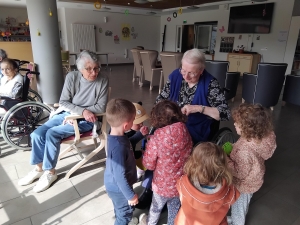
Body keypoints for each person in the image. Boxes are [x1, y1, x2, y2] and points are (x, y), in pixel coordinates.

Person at [18, 50, 109, 192]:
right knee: (37, 134)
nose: (94, 72)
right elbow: (64, 102)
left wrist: (80, 114)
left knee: (52, 134)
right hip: (68, 114)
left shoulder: (103, 80)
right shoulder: (72, 77)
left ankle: (50, 172)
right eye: (89, 69)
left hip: (89, 120)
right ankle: (39, 169)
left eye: (96, 68)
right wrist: (80, 111)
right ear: (80, 69)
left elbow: (100, 106)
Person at [156, 48, 230, 145]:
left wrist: (198, 108)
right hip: (171, 124)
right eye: (183, 70)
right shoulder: (175, 75)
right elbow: (160, 99)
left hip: (195, 128)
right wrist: (166, 110)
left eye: (191, 73)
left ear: (201, 70)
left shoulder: (210, 84)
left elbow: (225, 113)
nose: (186, 77)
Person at [139, 100, 193, 225]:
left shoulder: (157, 138)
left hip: (161, 186)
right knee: (174, 209)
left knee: (155, 208)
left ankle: (150, 223)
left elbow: (149, 164)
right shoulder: (185, 130)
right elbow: (190, 150)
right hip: (180, 183)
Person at [227, 103, 276, 225]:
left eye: (237, 124)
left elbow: (239, 172)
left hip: (244, 184)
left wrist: (225, 160)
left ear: (247, 129)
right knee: (243, 204)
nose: (234, 124)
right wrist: (234, 148)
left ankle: (237, 222)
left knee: (239, 206)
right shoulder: (265, 135)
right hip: (254, 176)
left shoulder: (245, 151)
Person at [175, 142, 240, 225]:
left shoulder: (183, 183)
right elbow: (233, 197)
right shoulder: (228, 191)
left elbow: (180, 193)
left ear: (193, 163)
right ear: (222, 165)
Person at [104, 98, 139, 225]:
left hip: (113, 184)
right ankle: (123, 221)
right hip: (119, 187)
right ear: (126, 125)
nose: (134, 122)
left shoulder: (114, 135)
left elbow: (128, 145)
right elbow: (119, 176)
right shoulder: (118, 147)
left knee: (119, 208)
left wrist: (139, 135)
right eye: (133, 120)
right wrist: (130, 195)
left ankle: (122, 218)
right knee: (124, 213)